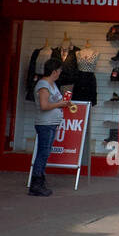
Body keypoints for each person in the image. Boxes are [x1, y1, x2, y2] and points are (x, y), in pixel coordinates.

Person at [29, 58, 69, 196]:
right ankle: (36, 183)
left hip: (51, 123)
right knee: (43, 153)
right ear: (54, 71)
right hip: (45, 124)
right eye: (58, 71)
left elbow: (55, 100)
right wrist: (59, 105)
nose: (59, 73)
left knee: (45, 153)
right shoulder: (43, 85)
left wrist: (63, 102)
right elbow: (44, 105)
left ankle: (40, 179)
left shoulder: (52, 84)